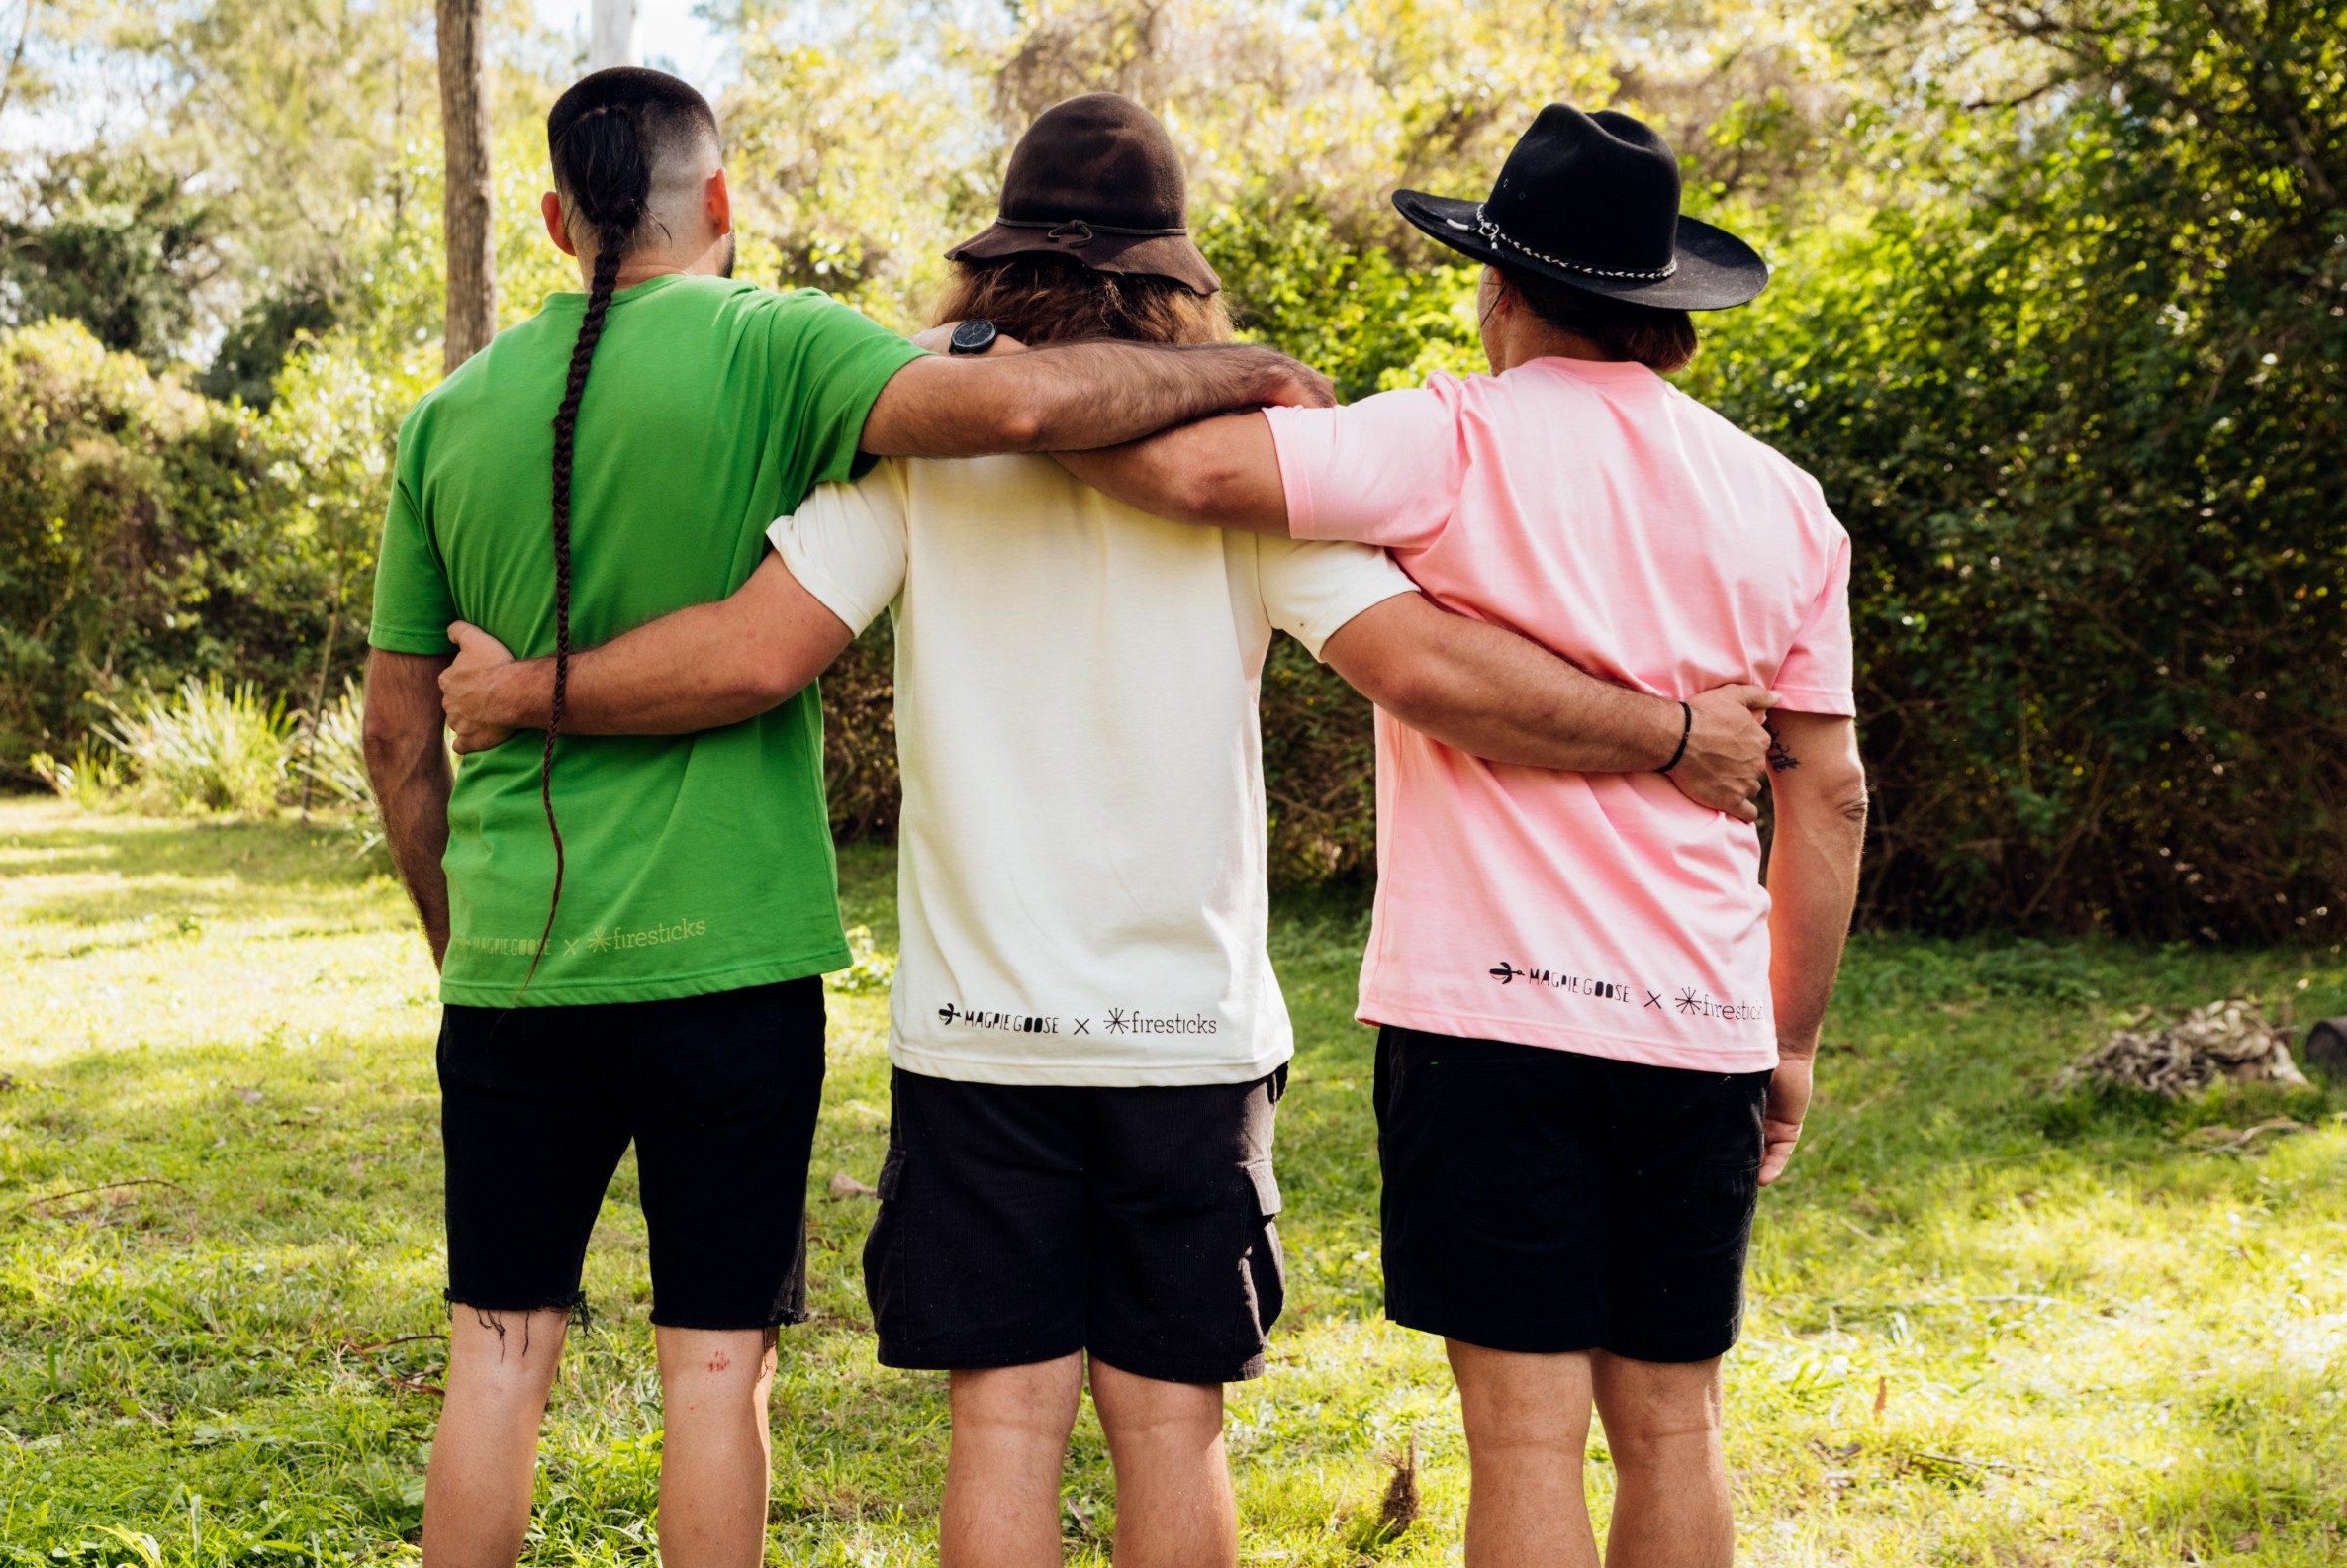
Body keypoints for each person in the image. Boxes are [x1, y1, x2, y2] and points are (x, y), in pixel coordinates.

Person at [433, 94, 1778, 1568]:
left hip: (977, 1030)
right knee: (1171, 1424)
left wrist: (521, 692)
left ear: (994, 272)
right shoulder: (1251, 469)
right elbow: (1426, 668)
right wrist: (1666, 730)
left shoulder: (917, 461)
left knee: (1001, 1424)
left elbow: (750, 654)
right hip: (1188, 1038)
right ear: (1173, 281)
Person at [358, 69, 1363, 1568]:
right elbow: (1024, 408)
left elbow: (413, 727)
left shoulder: (469, 420)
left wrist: (485, 836)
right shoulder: (797, 352)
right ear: (723, 202)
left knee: (506, 1354)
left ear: (558, 218)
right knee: (758, 1370)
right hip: (840, 978)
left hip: (612, 979)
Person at [1059, 105, 1871, 1568]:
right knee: (1676, 1425)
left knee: (1524, 1439)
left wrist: (1009, 398)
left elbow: (1188, 477)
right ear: (1668, 315)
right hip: (1702, 1025)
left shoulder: (1447, 438)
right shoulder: (1789, 507)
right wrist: (1789, 1035)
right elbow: (1830, 790)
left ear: (1499, 289)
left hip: (1489, 1022)